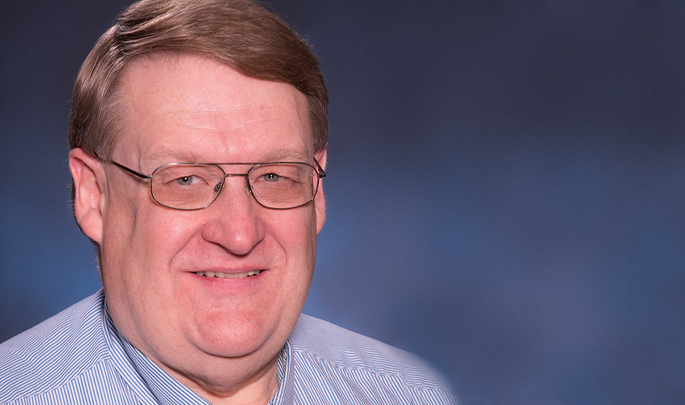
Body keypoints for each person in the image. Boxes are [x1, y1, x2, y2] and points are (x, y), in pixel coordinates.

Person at [0, 0, 457, 404]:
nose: (240, 234)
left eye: (275, 175)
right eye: (185, 180)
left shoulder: (408, 393)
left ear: (316, 192)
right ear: (94, 197)